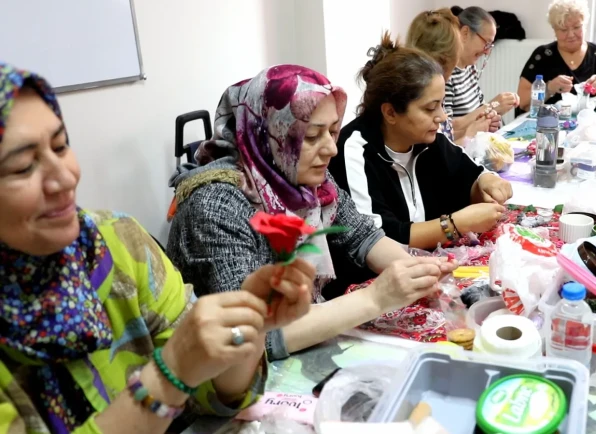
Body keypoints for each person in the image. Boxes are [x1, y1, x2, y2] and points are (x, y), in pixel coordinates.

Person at [0, 63, 313, 433]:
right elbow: (183, 373)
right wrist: (171, 370)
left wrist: (248, 326)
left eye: (60, 145)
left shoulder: (116, 242)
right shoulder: (216, 202)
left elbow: (214, 393)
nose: (66, 178)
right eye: (23, 167)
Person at [167, 65, 456, 350]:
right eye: (312, 136)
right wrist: (376, 298)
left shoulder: (298, 174)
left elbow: (361, 236)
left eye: (332, 131)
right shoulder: (215, 206)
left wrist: (418, 270)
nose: (332, 148)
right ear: (269, 134)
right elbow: (255, 336)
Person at [329, 33, 513, 252]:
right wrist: (455, 225)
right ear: (390, 112)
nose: (442, 116)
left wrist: (487, 184)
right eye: (430, 108)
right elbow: (378, 238)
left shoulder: (427, 140)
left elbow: (470, 175)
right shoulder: (354, 150)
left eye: (442, 104)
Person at [518, 0, 596, 113]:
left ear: (585, 25)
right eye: (563, 29)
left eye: (577, 27)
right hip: (549, 126)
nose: (571, 35)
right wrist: (549, 89)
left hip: (592, 126)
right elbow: (522, 102)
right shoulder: (543, 56)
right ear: (554, 30)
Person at [405, 8, 490, 144]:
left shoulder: (423, 86)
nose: (443, 116)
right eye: (431, 108)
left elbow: (444, 136)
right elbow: (438, 156)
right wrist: (469, 135)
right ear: (446, 59)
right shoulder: (420, 94)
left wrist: (475, 128)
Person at [446, 6, 517, 134]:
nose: (488, 51)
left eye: (491, 45)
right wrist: (492, 106)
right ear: (465, 33)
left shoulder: (470, 68)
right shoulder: (446, 75)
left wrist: (493, 117)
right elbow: (446, 131)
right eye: (487, 43)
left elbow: (479, 109)